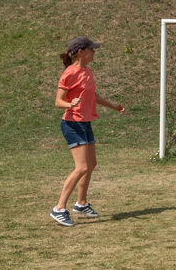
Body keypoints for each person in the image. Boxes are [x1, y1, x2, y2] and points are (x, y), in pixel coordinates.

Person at [51, 36, 125, 227]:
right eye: (92, 49)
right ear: (81, 52)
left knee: (91, 164)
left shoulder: (88, 71)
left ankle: (81, 203)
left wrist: (114, 106)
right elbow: (58, 102)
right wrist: (70, 103)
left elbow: (94, 96)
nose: (94, 52)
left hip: (85, 122)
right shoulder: (69, 73)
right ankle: (59, 208)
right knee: (82, 167)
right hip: (72, 124)